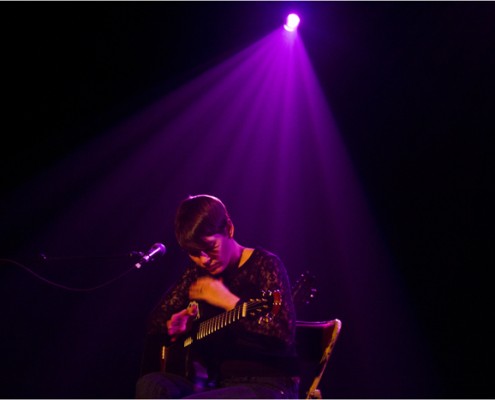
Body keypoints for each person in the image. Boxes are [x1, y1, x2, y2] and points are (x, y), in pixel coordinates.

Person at [135, 194, 300, 399]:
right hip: (217, 385)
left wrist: (228, 301)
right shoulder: (197, 274)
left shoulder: (266, 265)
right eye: (194, 253)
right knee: (150, 385)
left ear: (229, 229)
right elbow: (154, 322)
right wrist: (178, 324)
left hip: (269, 385)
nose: (203, 260)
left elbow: (282, 331)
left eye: (209, 248)